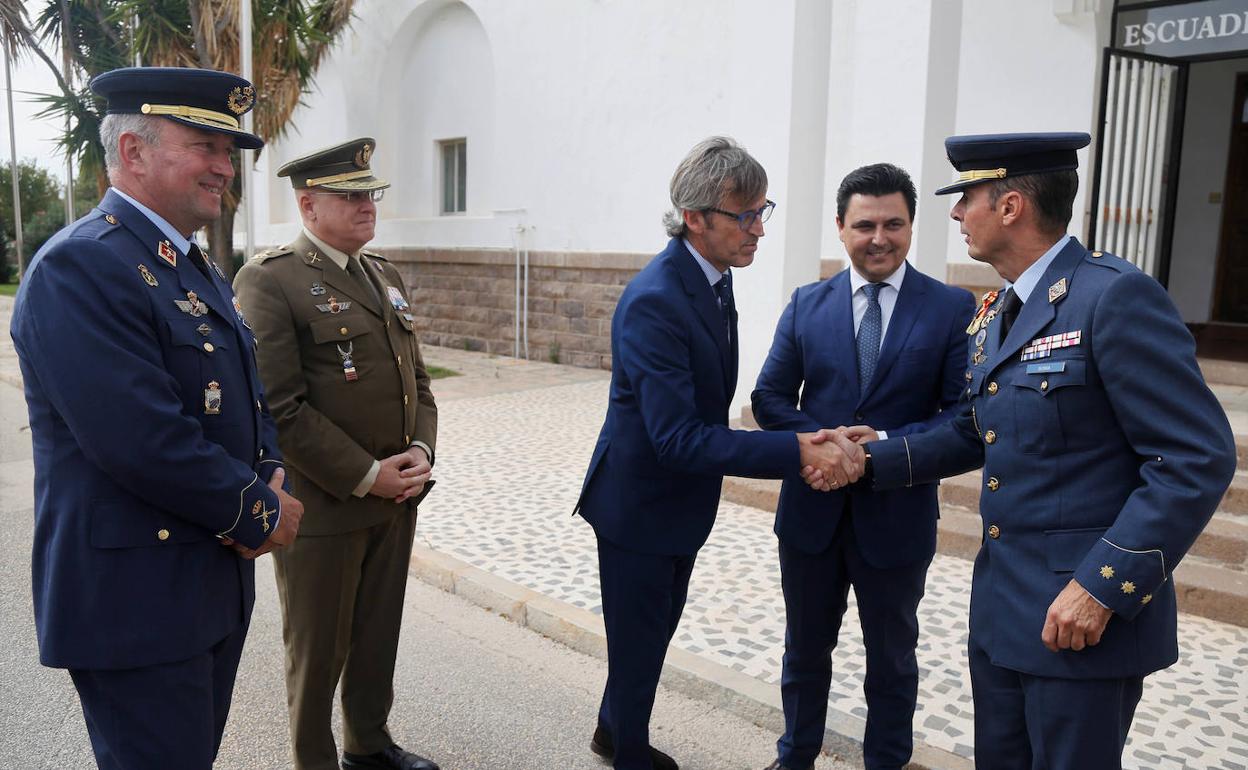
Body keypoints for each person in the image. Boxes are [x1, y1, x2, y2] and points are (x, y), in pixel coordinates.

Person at [836, 132, 1237, 769]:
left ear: (1011, 206)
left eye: (966, 197)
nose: (956, 213)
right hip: (1006, 609)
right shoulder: (1000, 307)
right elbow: (978, 426)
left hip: (1079, 618)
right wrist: (875, 454)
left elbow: (1195, 458)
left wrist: (1102, 589)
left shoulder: (1113, 297)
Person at [10, 66, 304, 768]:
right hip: (135, 604)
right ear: (133, 152)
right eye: (204, 145)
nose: (223, 167)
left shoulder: (188, 265)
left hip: (204, 585)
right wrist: (258, 510)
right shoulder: (81, 268)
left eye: (226, 152)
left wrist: (270, 466)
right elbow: (139, 438)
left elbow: (242, 393)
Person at [573, 136, 862, 770]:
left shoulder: (712, 278)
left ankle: (611, 731)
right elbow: (677, 437)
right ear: (696, 217)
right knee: (640, 644)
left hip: (677, 503)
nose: (759, 228)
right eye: (745, 215)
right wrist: (798, 451)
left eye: (764, 210)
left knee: (647, 638)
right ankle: (628, 755)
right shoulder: (657, 299)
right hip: (639, 508)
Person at [751, 163, 974, 770]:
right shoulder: (805, 304)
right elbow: (769, 399)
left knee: (893, 658)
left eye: (894, 224)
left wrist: (877, 448)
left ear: (911, 226)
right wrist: (821, 443)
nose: (880, 238)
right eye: (865, 225)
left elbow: (963, 418)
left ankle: (887, 761)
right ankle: (795, 756)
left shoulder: (953, 308)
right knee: (804, 650)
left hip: (896, 519)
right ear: (841, 228)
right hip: (811, 516)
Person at [233, 137, 439, 770]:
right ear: (308, 204)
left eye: (369, 193)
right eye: (349, 195)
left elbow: (420, 383)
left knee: (378, 638)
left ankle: (368, 745)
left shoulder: (385, 275)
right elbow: (280, 409)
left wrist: (421, 453)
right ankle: (314, 761)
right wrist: (366, 475)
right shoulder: (271, 280)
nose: (365, 205)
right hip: (324, 505)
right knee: (318, 650)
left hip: (395, 500)